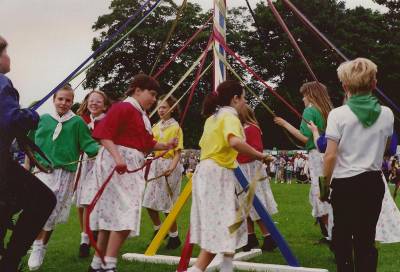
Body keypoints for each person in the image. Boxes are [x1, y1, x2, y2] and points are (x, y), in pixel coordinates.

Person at [87, 74, 178, 272]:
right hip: (118, 166)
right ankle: (109, 264)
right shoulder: (123, 107)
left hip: (128, 165)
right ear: (137, 90)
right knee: (126, 214)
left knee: (113, 216)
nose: (154, 99)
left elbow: (147, 143)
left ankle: (97, 265)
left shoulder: (140, 115)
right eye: (152, 94)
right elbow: (104, 135)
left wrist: (167, 144)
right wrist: (118, 157)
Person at [187, 81, 272, 272]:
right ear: (235, 99)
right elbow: (234, 141)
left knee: (233, 219)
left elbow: (208, 145)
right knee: (224, 223)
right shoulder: (230, 116)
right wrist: (260, 156)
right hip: (217, 173)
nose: (245, 102)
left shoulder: (212, 118)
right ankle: (198, 269)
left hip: (206, 172)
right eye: (244, 98)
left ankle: (226, 266)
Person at [323, 58, 393, 272]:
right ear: (374, 84)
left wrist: (324, 186)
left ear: (345, 86)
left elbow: (330, 156)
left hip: (345, 184)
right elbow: (386, 149)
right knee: (366, 238)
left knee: (342, 236)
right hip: (373, 181)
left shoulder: (338, 115)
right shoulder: (387, 114)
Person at [27, 85, 100, 271]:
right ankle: (36, 245)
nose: (64, 103)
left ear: (72, 102)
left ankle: (40, 246)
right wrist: (27, 167)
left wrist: (110, 150)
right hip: (41, 171)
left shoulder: (77, 123)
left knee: (52, 212)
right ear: (54, 99)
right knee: (37, 209)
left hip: (65, 175)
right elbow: (29, 144)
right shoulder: (42, 120)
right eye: (60, 99)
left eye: (68, 100)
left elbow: (90, 145)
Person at [0, 35, 56, 272]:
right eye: (5, 52)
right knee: (43, 200)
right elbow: (11, 119)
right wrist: (32, 116)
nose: (8, 57)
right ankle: (10, 263)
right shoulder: (2, 82)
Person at [274, 81, 333, 241]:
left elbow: (305, 137)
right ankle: (330, 232)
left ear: (311, 95)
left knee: (320, 192)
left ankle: (332, 234)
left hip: (316, 155)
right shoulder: (327, 111)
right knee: (326, 191)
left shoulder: (310, 111)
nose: (303, 99)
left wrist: (285, 124)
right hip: (329, 154)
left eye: (304, 95)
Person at [142, 95, 183, 249]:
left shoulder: (176, 127)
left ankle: (174, 236)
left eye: (164, 107)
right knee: (148, 202)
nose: (160, 110)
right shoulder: (155, 126)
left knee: (168, 205)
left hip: (169, 166)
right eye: (159, 107)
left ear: (171, 109)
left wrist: (171, 168)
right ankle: (159, 229)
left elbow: (178, 152)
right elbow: (150, 145)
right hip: (155, 165)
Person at [237, 105, 278, 252]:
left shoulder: (251, 128)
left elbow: (256, 149)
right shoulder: (241, 129)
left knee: (255, 204)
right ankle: (251, 236)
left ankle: (268, 236)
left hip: (250, 169)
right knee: (245, 204)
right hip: (242, 168)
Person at [74, 90, 110, 258]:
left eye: (98, 101)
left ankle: (94, 232)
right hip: (84, 165)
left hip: (101, 165)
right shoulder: (81, 120)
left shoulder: (108, 121)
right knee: (81, 203)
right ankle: (84, 237)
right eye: (91, 100)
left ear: (105, 105)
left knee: (95, 201)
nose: (94, 103)